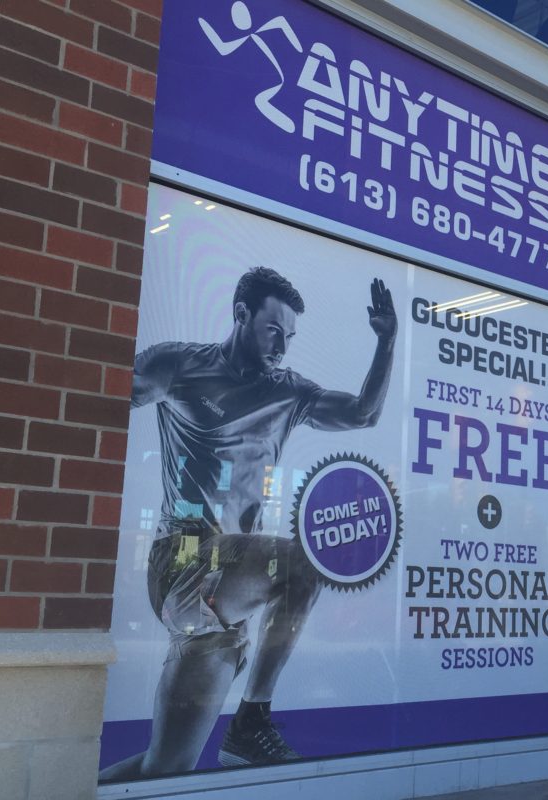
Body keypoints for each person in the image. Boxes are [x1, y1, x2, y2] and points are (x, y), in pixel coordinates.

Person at [100, 267, 397, 780]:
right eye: (273, 331)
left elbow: (364, 415)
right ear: (241, 315)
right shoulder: (178, 364)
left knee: (166, 767)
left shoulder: (289, 392)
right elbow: (106, 395)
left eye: (290, 336)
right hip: (184, 562)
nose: (282, 346)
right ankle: (252, 721)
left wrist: (386, 343)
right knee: (304, 562)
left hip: (226, 596)